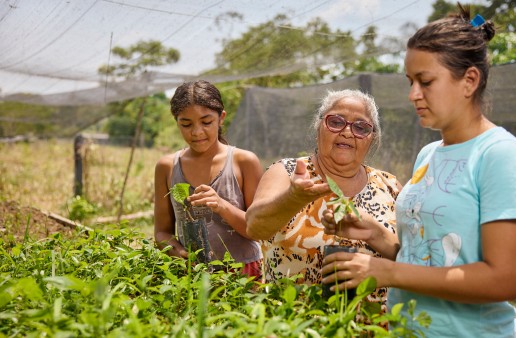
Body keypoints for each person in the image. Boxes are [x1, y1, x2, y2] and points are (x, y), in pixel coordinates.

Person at [320, 4, 516, 337]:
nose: (413, 94)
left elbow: (505, 280)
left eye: (425, 82)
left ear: (469, 80)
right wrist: (376, 236)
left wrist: (387, 273)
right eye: (410, 81)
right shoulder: (429, 154)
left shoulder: (501, 156)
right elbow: (427, 262)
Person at [245, 89, 401, 307]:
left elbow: (411, 259)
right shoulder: (288, 172)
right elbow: (254, 227)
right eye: (336, 122)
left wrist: (376, 233)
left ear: (372, 137)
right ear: (318, 127)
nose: (347, 132)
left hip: (376, 327)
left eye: (361, 127)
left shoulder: (389, 185)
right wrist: (293, 197)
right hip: (295, 324)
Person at [154, 80, 263, 278]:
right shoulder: (167, 166)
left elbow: (258, 229)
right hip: (192, 274)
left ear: (221, 118)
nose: (197, 132)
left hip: (243, 274)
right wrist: (179, 253)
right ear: (177, 122)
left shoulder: (244, 161)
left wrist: (221, 205)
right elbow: (162, 232)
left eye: (206, 122)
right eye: (186, 124)